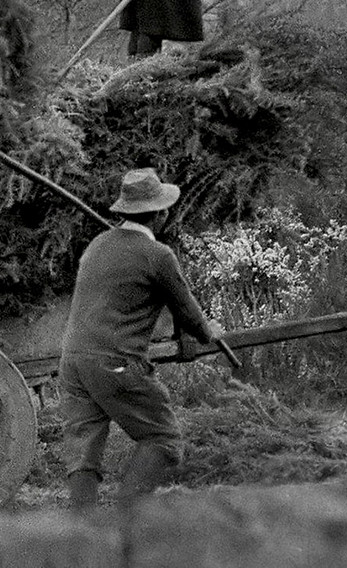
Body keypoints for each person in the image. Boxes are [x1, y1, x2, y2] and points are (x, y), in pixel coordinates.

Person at [58, 167, 224, 510]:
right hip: (114, 363)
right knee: (162, 438)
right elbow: (188, 310)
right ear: (160, 214)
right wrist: (208, 333)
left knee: (83, 450)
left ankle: (80, 534)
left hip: (72, 362)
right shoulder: (158, 255)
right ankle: (126, 517)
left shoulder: (97, 246)